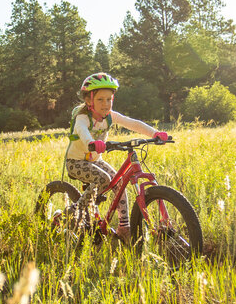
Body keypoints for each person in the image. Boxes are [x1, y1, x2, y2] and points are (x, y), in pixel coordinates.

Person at [65, 72, 169, 240]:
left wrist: (154, 132)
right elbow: (82, 132)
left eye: (109, 99)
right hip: (75, 162)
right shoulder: (83, 117)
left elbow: (132, 123)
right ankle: (74, 213)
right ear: (88, 100)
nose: (106, 104)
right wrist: (92, 143)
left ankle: (123, 227)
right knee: (103, 179)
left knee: (119, 183)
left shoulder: (110, 117)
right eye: (100, 99)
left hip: (95, 161)